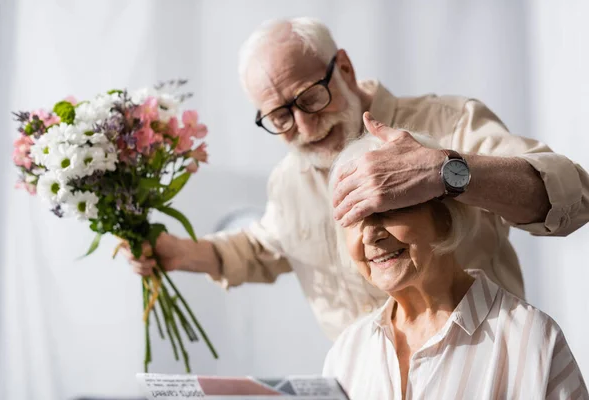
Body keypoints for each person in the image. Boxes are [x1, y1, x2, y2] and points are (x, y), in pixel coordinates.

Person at [123, 17, 589, 340]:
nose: (304, 127)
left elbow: (573, 194)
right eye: (279, 117)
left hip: (485, 374)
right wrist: (180, 253)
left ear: (343, 67)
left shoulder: (449, 121)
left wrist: (444, 171)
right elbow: (263, 248)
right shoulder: (289, 182)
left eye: (310, 98)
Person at [322, 132, 589, 400]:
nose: (370, 235)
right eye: (355, 218)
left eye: (388, 209)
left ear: (445, 217)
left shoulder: (528, 339)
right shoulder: (347, 352)